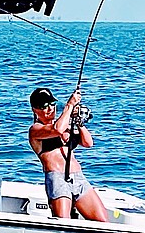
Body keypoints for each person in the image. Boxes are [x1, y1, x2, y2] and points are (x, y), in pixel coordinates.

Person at [28, 86, 109, 222]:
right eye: (44, 106)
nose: (50, 109)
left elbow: (88, 143)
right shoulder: (35, 130)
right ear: (35, 110)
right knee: (63, 222)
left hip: (78, 177)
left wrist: (78, 122)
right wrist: (70, 106)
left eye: (52, 104)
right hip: (57, 179)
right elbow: (57, 130)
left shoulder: (64, 124)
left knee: (103, 221)